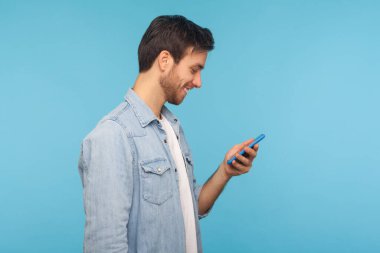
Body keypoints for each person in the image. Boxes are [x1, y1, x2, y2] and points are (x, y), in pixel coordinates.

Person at [78, 15, 260, 253]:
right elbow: (104, 246)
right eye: (194, 69)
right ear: (165, 60)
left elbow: (189, 209)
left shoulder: (172, 127)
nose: (198, 82)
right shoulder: (113, 136)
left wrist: (225, 171)